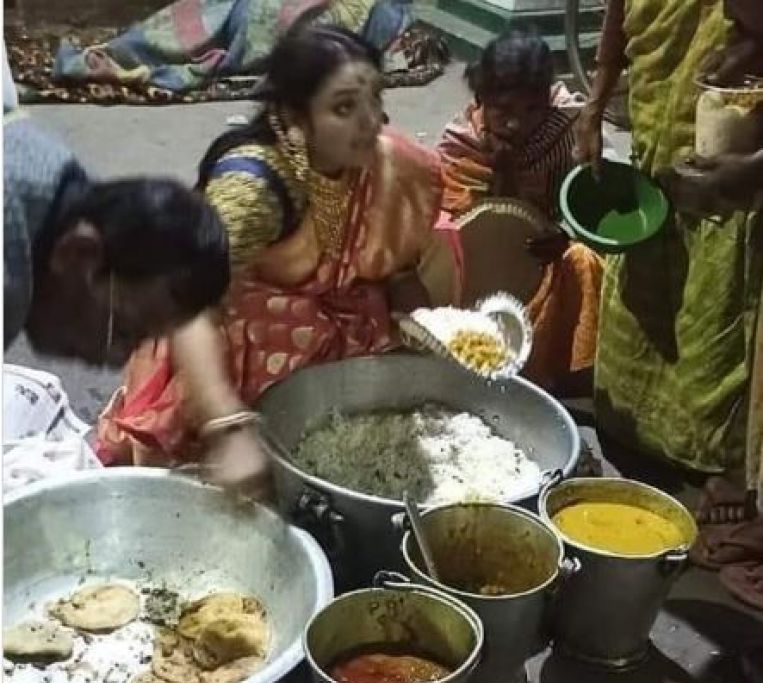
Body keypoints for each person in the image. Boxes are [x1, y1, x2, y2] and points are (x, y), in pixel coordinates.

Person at [96, 25, 446, 468]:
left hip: (340, 314)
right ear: (296, 117)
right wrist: (224, 425)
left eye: (376, 99)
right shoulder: (253, 187)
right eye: (344, 108)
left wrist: (432, 337)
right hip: (234, 320)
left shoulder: (390, 165)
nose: (370, 122)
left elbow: (400, 273)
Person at [3, 112, 270, 494]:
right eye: (123, 330)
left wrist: (225, 424)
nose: (114, 361)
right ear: (79, 255)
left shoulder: (60, 187)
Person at [574, 0, 762, 492]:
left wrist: (746, 171)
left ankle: (711, 461)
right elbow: (620, 19)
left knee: (711, 319)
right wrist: (593, 106)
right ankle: (628, 430)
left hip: (728, 167)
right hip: (652, 150)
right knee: (639, 303)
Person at [436, 29, 604, 393]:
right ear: (482, 100)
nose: (517, 124)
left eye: (532, 110)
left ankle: (564, 371)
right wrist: (504, 172)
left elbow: (585, 197)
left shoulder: (565, 127)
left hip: (547, 246)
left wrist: (565, 232)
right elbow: (464, 219)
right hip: (488, 255)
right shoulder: (463, 140)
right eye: (504, 111)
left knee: (585, 259)